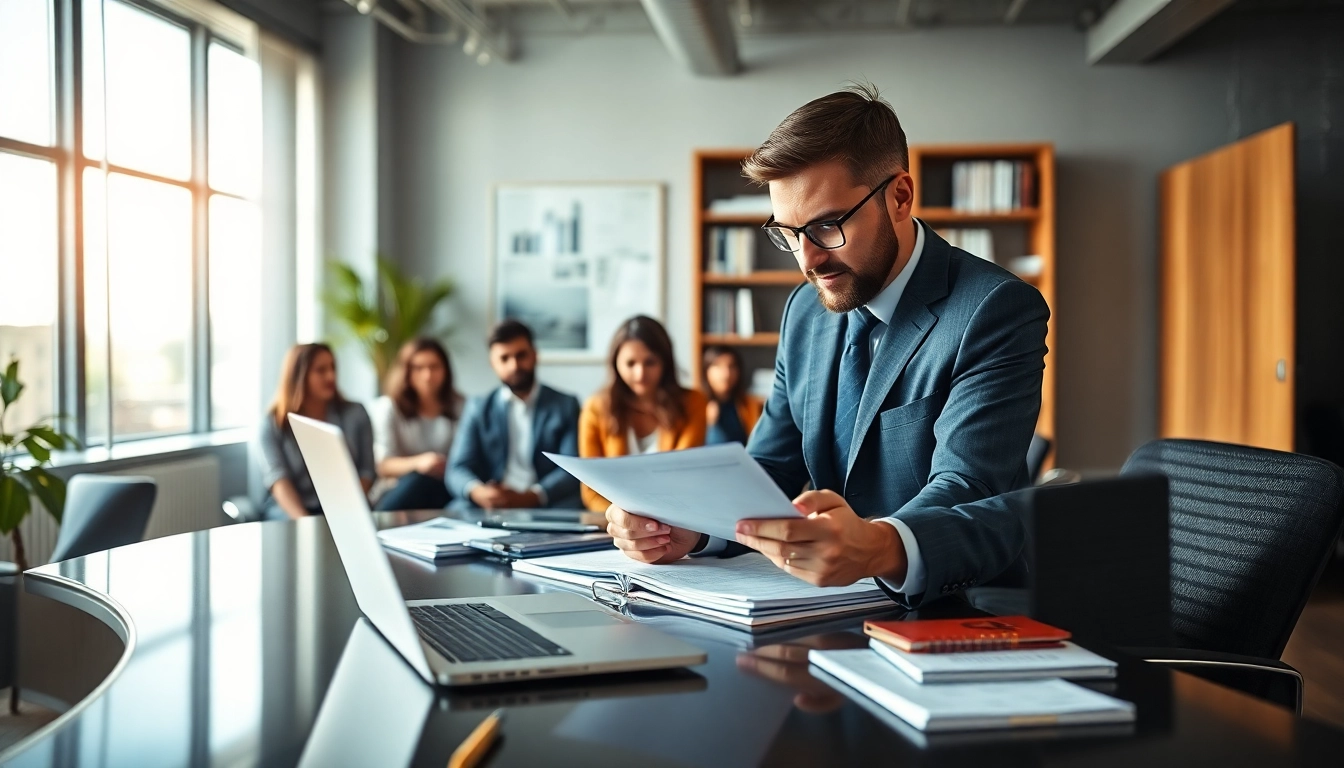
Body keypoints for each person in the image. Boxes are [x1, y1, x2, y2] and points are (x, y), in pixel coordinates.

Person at [604, 83, 1049, 609]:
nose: (808, 260)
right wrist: (693, 528)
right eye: (788, 233)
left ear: (900, 196)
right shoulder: (804, 312)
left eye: (826, 226)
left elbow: (968, 488)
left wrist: (877, 547)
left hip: (956, 614)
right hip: (822, 612)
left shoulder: (994, 309)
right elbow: (771, 469)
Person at [446, 320, 583, 510]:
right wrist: (479, 492)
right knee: (455, 510)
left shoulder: (565, 405)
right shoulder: (478, 408)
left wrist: (532, 496)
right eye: (504, 358)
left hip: (546, 504)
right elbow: (457, 468)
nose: (514, 365)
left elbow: (572, 468)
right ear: (492, 363)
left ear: (535, 355)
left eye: (521, 355)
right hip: (492, 504)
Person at [579, 316, 708, 511]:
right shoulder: (596, 407)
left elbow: (683, 478)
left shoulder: (692, 403)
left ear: (665, 362)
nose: (640, 374)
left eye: (650, 362)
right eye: (630, 364)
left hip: (674, 519)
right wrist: (626, 520)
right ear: (615, 364)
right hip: (613, 525)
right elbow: (591, 490)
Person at [255, 342, 375, 520]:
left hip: (345, 509)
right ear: (299, 376)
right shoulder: (272, 423)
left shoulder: (355, 414)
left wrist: (347, 510)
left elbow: (367, 471)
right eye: (321, 370)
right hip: (291, 510)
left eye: (333, 368)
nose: (331, 376)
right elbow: (278, 480)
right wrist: (304, 521)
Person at [370, 338, 464, 511]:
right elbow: (383, 465)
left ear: (445, 370)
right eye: (418, 368)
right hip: (399, 490)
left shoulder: (461, 406)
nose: (427, 376)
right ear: (406, 372)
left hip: (444, 487)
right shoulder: (388, 407)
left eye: (434, 367)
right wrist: (420, 463)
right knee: (418, 481)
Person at [701, 345, 764, 446]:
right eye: (718, 366)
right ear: (706, 370)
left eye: (731, 366)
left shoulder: (749, 405)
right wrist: (708, 423)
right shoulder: (696, 404)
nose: (726, 373)